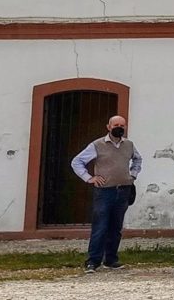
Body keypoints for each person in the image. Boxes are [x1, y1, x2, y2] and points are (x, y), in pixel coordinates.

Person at [71, 115, 142, 274]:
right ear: (108, 127)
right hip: (104, 192)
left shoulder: (129, 145)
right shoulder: (97, 145)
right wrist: (89, 178)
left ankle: (111, 259)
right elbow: (77, 162)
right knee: (100, 227)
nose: (119, 127)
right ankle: (93, 261)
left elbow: (137, 160)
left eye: (122, 125)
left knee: (116, 227)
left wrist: (133, 174)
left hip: (123, 190)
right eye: (116, 124)